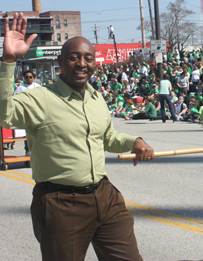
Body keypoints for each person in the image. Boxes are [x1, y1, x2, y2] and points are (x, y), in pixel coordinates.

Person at [0, 13, 154, 260]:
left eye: (88, 58)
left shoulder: (95, 98)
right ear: (60, 61)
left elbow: (107, 137)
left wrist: (134, 141)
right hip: (61, 203)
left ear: (95, 63)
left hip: (105, 197)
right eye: (74, 57)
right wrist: (8, 60)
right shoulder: (40, 98)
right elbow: (3, 115)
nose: (82, 63)